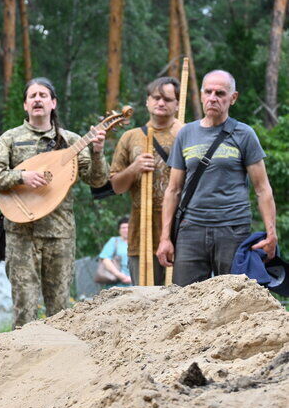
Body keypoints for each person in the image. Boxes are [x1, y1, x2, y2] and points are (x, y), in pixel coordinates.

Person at [0, 78, 108, 327]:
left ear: (53, 103)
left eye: (43, 95)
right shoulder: (10, 139)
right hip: (20, 234)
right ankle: (23, 361)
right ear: (25, 105)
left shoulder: (71, 141)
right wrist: (21, 176)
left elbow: (97, 180)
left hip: (59, 233)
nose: (37, 99)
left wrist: (97, 152)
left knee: (60, 310)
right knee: (24, 308)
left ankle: (59, 362)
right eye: (32, 96)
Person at [157, 70, 277, 285]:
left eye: (220, 93)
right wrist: (165, 238)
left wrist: (271, 234)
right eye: (208, 92)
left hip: (233, 229)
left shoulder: (244, 134)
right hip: (191, 229)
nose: (213, 98)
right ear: (201, 95)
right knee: (184, 301)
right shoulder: (185, 134)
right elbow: (173, 190)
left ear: (233, 98)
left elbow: (262, 189)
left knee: (233, 298)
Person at [109, 77, 182, 285]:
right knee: (145, 302)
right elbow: (116, 186)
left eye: (168, 99)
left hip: (181, 232)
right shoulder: (130, 138)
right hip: (141, 233)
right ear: (147, 102)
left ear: (177, 104)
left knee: (181, 301)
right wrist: (134, 169)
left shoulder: (187, 134)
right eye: (156, 98)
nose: (161, 103)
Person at [98, 217, 131, 287]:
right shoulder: (114, 241)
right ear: (119, 230)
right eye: (123, 228)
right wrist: (121, 276)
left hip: (135, 285)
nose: (126, 230)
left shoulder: (138, 243)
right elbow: (105, 259)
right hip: (116, 285)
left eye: (128, 227)